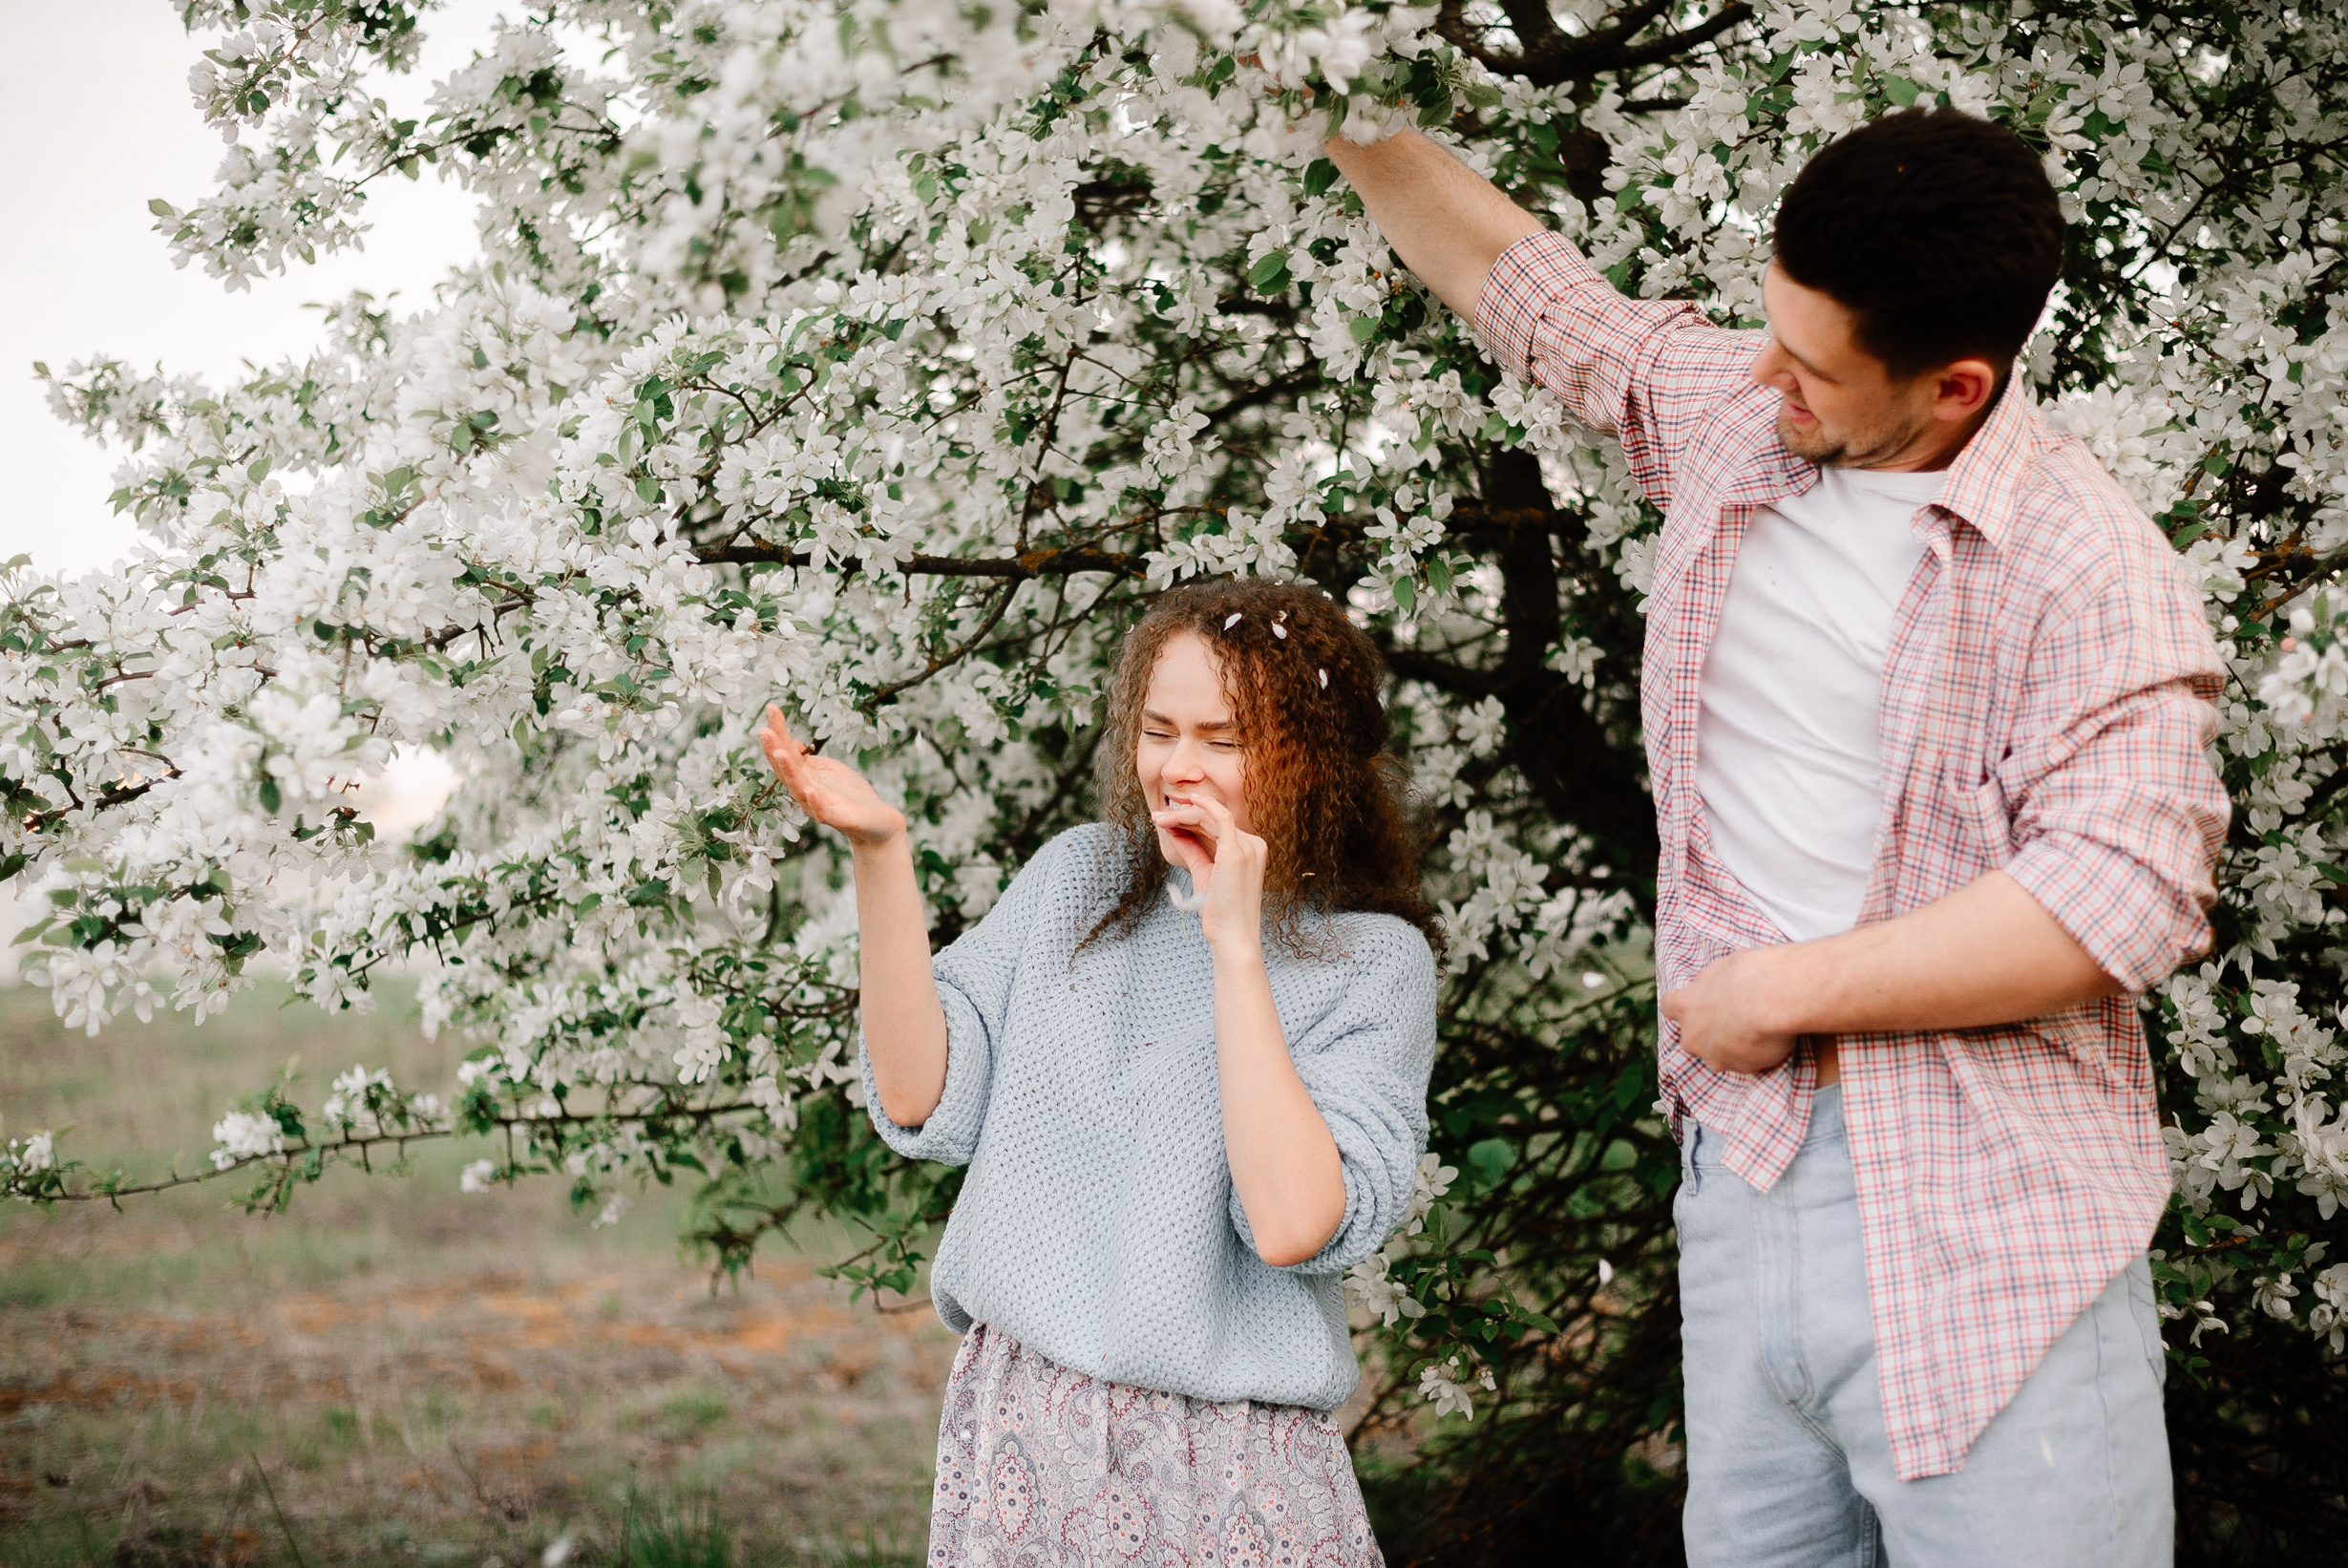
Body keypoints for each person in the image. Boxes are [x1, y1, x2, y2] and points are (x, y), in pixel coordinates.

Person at [1323, 108, 2226, 1565]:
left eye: (1808, 363)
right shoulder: (1746, 427)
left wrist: (1782, 992)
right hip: (1746, 1181)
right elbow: (1523, 286)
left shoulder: (2089, 567)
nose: (1761, 376)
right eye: (1769, 331)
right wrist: (1328, 98)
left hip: (1986, 1219)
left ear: (1953, 386)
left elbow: (2117, 894)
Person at [757, 577, 1440, 1565]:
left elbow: (1293, 1224)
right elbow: (917, 1094)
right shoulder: (1079, 877)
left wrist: (1234, 943)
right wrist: (879, 851)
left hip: (1232, 1468)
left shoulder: (1372, 962)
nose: (1177, 768)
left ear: (1313, 758)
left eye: (1222, 739)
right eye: (1158, 732)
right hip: (1024, 1432)